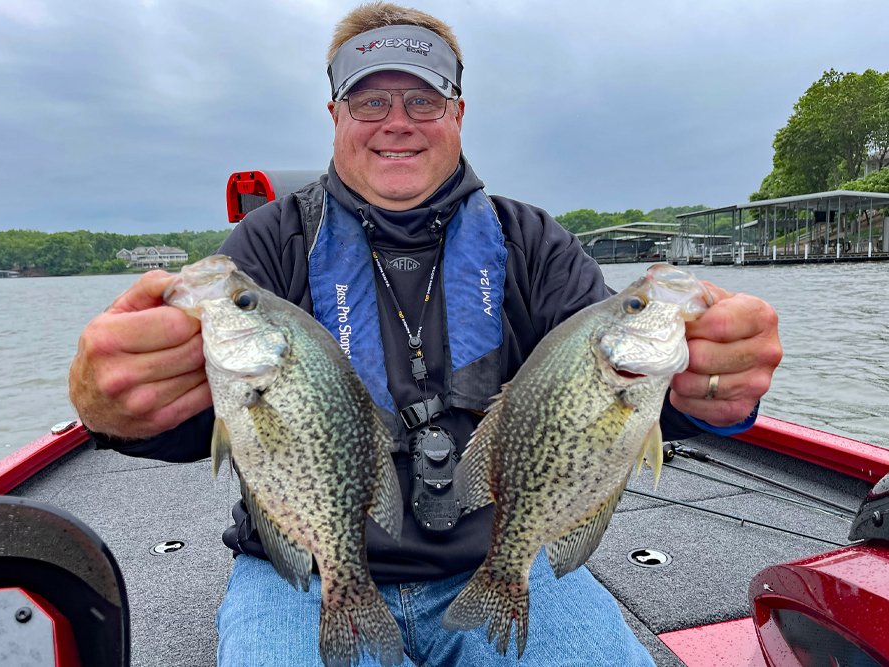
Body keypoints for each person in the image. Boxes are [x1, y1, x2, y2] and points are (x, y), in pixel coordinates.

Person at [68, 3, 782, 665]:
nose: (396, 121)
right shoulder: (267, 246)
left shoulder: (528, 240)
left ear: (459, 113)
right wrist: (112, 410)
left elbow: (614, 388)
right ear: (335, 114)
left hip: (501, 555)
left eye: (423, 99)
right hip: (305, 568)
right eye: (369, 100)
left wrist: (708, 391)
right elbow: (201, 426)